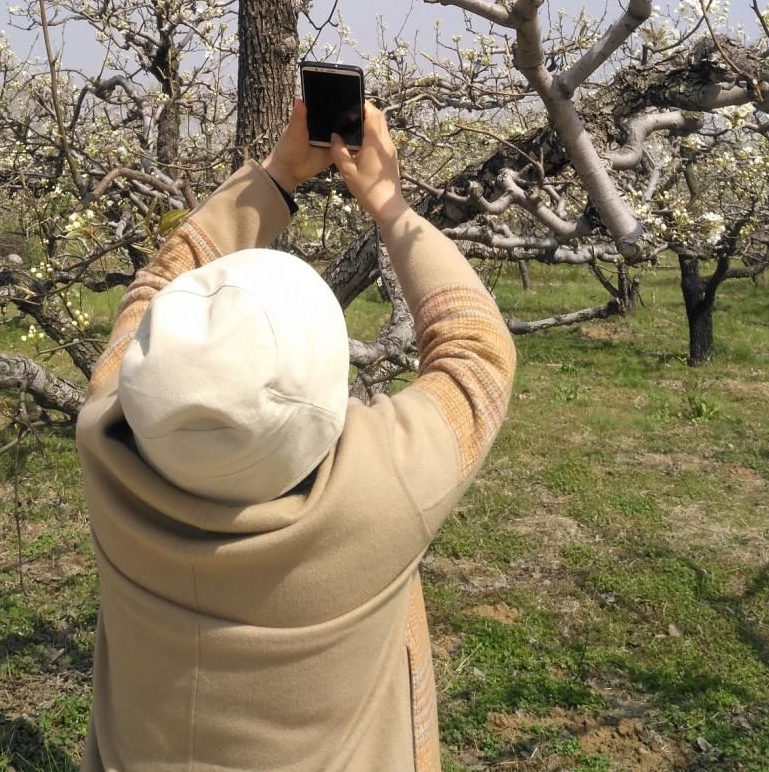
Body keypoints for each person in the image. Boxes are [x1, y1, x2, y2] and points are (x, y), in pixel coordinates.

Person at [74, 97, 518, 772]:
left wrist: (276, 172)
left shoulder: (105, 445)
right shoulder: (377, 498)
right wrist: (390, 204)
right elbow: (479, 349)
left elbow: (157, 286)